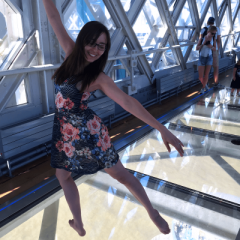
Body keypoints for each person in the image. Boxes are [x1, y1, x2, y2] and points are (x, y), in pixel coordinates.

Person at [42, 0, 184, 237]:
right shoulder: (69, 52)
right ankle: (78, 223)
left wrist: (162, 129)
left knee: (121, 175)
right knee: (62, 175)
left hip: (89, 132)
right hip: (65, 130)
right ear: (82, 40)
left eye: (101, 46)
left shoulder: (98, 77)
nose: (96, 50)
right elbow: (54, 16)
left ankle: (151, 211)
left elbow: (129, 103)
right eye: (92, 43)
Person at [200, 17, 224, 89]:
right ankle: (216, 83)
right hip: (214, 50)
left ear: (207, 22)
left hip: (205, 50)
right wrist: (217, 49)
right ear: (213, 23)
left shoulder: (203, 29)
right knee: (216, 67)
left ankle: (206, 83)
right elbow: (218, 41)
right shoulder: (217, 29)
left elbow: (201, 40)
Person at [196, 26, 217, 94]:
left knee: (206, 75)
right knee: (200, 76)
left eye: (214, 34)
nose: (213, 35)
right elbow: (197, 48)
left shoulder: (213, 39)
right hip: (202, 57)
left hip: (209, 57)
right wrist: (203, 43)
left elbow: (215, 49)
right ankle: (205, 86)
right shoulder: (202, 38)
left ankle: (202, 88)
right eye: (212, 33)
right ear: (208, 32)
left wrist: (210, 46)